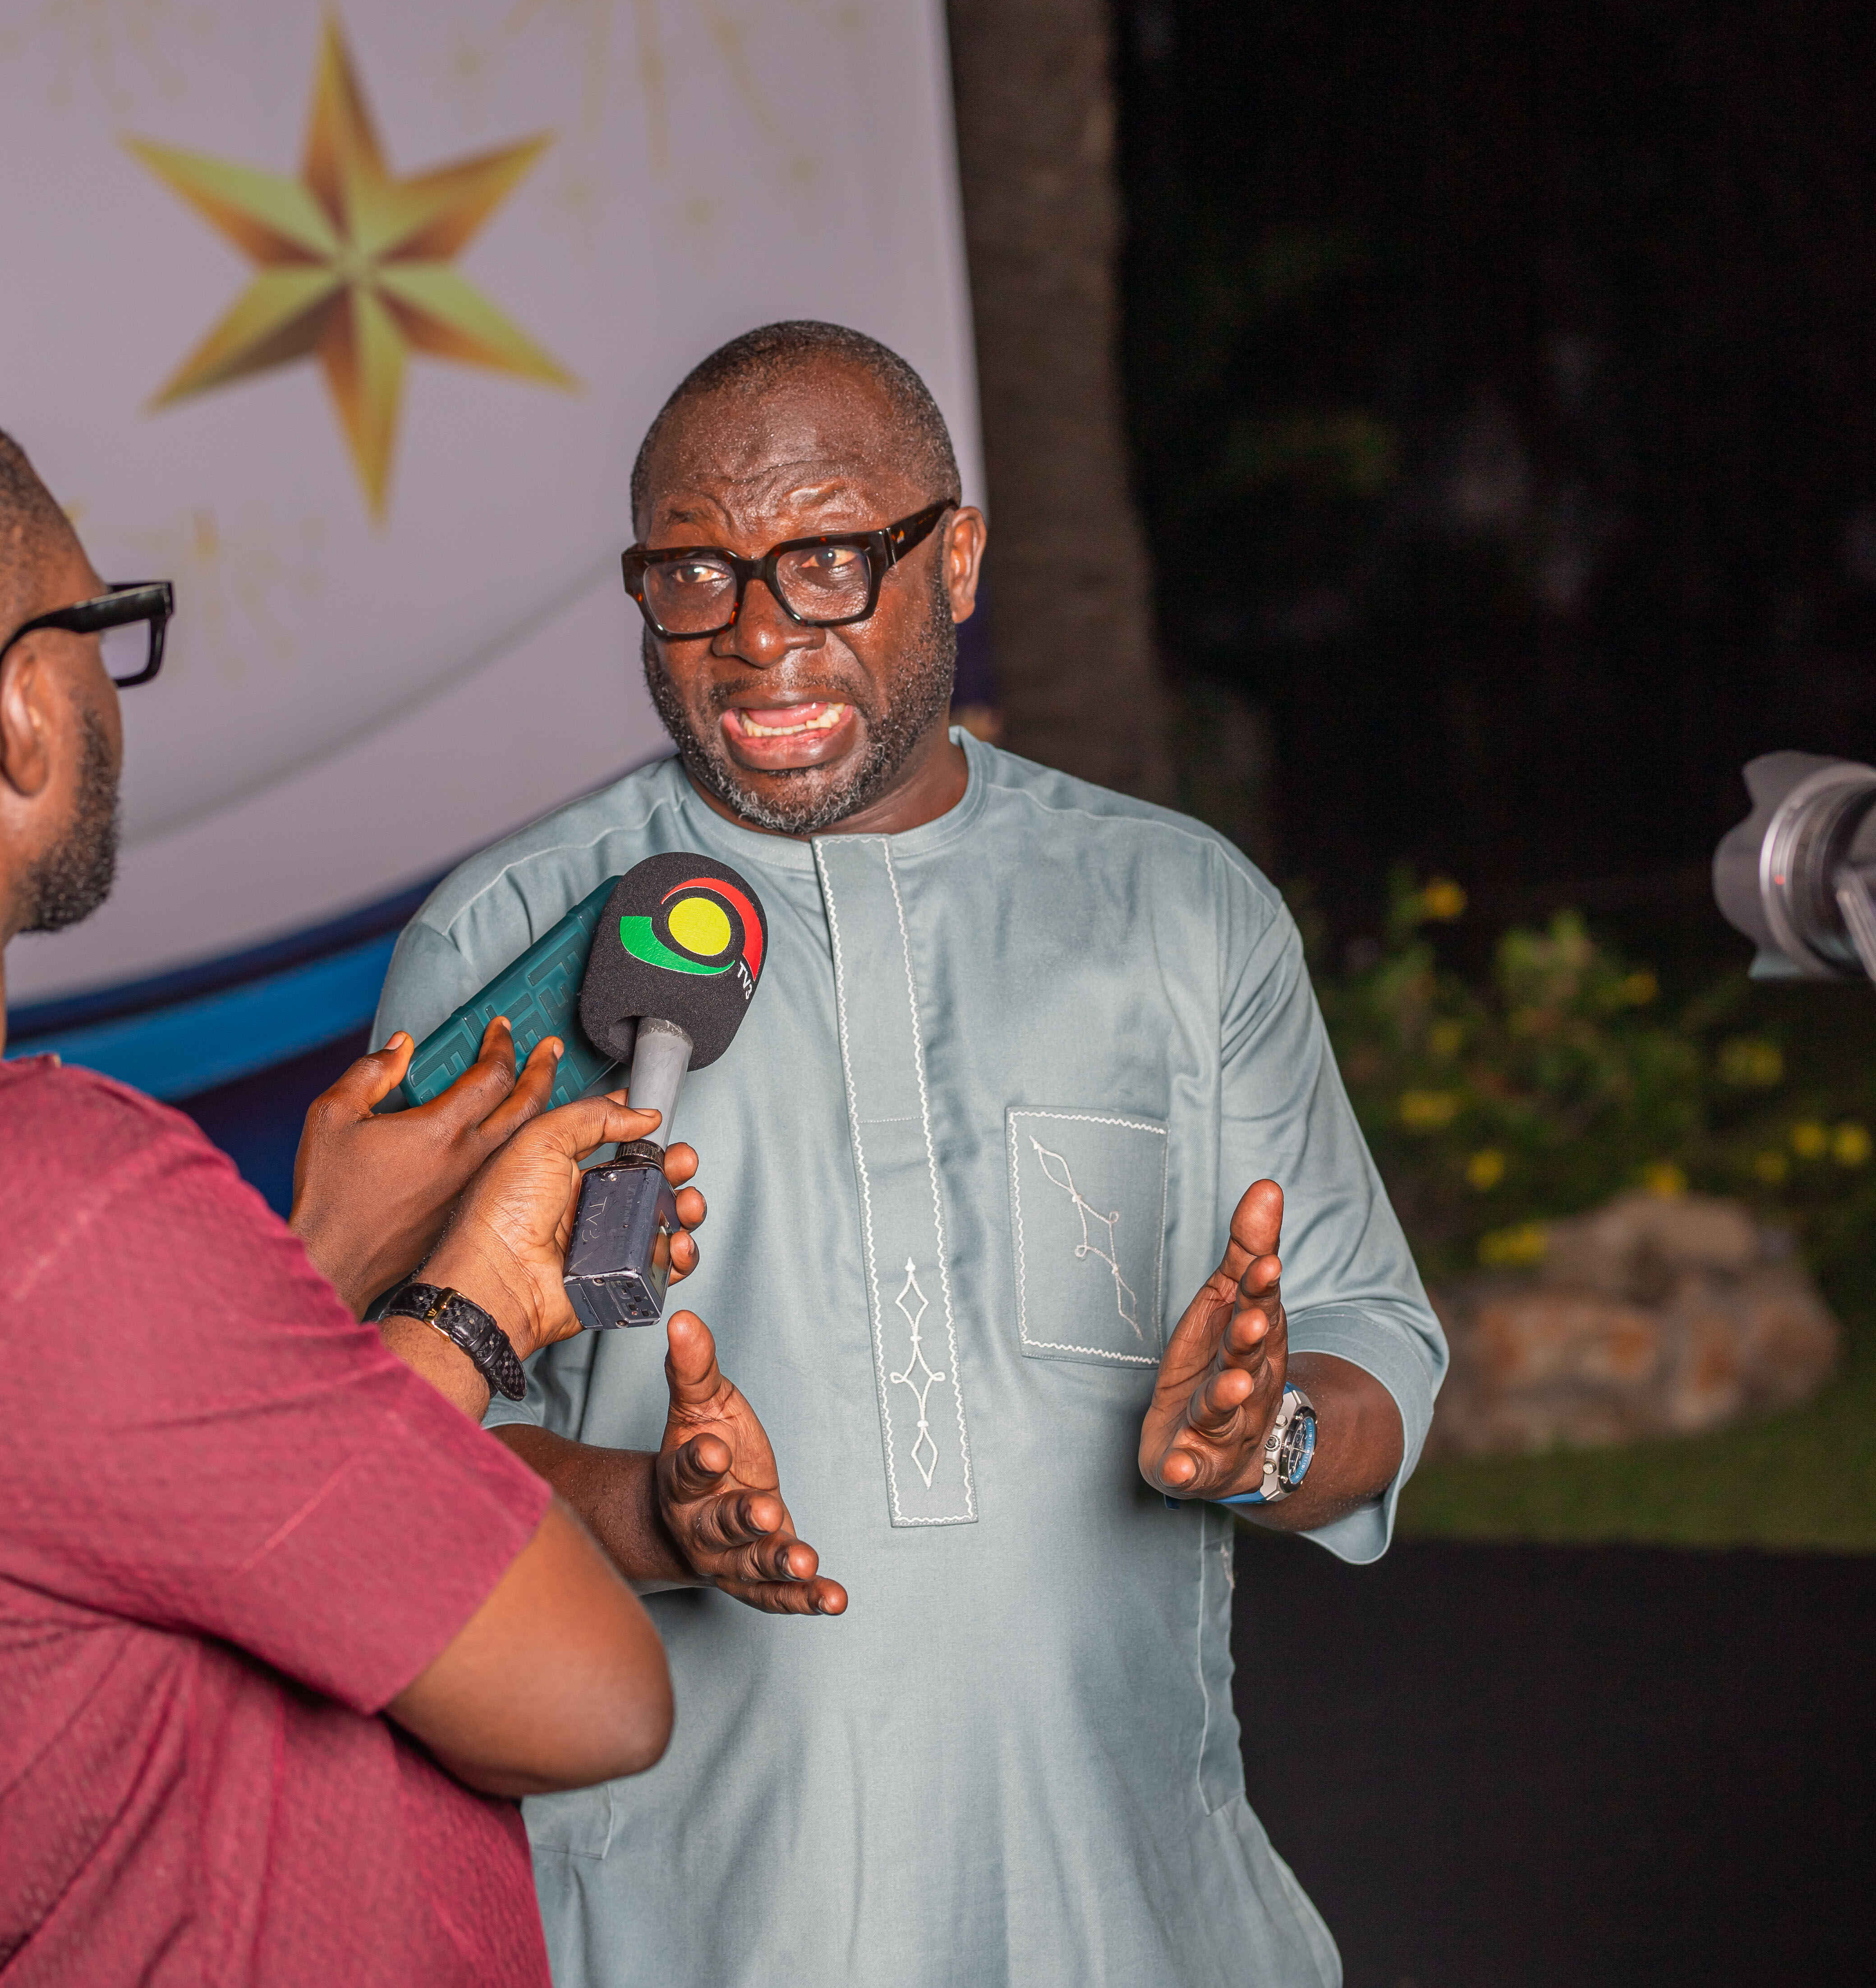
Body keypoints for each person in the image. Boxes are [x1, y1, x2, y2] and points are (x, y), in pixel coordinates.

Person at [373, 322, 1448, 1988]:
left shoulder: (1179, 912)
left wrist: (1267, 1432)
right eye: (693, 576)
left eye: (824, 562)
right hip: (690, 1933)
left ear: (956, 560)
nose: (754, 639)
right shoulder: (505, 941)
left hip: (1142, 1925)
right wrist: (656, 1516)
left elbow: (1374, 1342)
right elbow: (390, 1462)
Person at [0, 428, 835, 1987]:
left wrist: (309, 1272)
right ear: (21, 712)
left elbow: (97, 1534)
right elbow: (593, 1697)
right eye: (102, 626)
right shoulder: (63, 1202)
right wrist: (470, 1309)